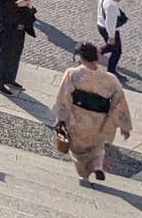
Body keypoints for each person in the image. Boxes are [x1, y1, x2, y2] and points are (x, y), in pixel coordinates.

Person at [52, 43, 132, 183]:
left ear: (79, 57)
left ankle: (83, 175)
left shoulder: (72, 74)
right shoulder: (111, 79)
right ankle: (98, 166)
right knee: (97, 145)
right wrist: (123, 125)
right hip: (99, 119)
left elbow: (65, 97)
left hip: (78, 118)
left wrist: (60, 118)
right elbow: (119, 101)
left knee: (78, 150)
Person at [0, 0, 36, 95]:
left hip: (20, 30)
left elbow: (29, 13)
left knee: (15, 55)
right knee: (4, 56)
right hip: (7, 30)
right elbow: (1, 13)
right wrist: (16, 4)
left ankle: (10, 79)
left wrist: (29, 7)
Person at [96, 0, 130, 78]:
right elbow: (110, 22)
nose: (122, 0)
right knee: (117, 52)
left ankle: (96, 52)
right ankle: (111, 72)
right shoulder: (112, 5)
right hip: (109, 30)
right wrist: (111, 37)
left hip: (100, 25)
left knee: (111, 46)